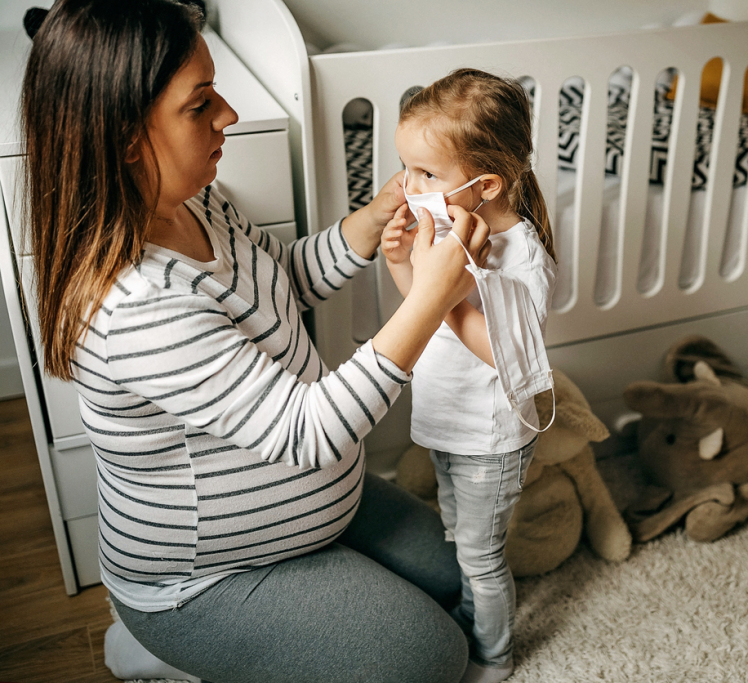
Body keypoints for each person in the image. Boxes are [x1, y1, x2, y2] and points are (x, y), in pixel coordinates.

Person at [20, 1, 494, 682]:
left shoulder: (192, 198)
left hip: (319, 505)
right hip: (212, 573)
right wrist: (429, 298)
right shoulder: (134, 304)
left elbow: (283, 283)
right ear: (127, 136)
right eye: (200, 104)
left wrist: (376, 216)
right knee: (432, 656)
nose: (229, 116)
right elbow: (308, 430)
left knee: (455, 576)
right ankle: (164, 641)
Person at [380, 69, 558, 683]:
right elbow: (421, 317)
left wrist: (446, 287)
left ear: (484, 186)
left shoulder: (522, 257)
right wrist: (408, 265)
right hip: (449, 423)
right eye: (406, 168)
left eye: (426, 174)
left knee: (482, 559)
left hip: (489, 438)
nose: (408, 185)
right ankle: (467, 616)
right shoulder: (453, 230)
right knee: (459, 536)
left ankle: (495, 655)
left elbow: (504, 353)